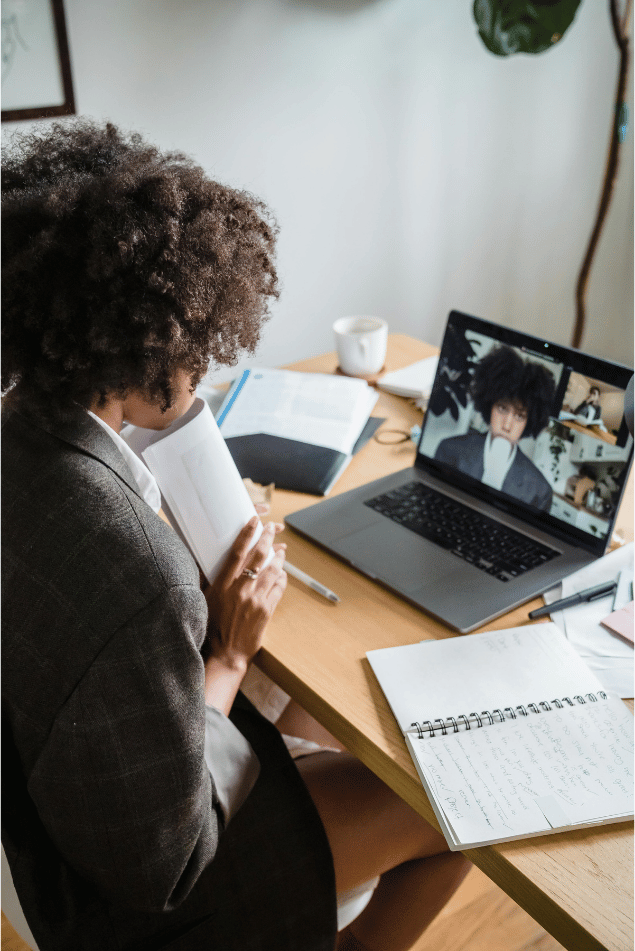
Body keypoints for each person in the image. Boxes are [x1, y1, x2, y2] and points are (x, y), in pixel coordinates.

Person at [2, 121, 470, 951]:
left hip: (42, 828)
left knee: (323, 720)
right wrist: (228, 655)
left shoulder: (15, 427)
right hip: (136, 897)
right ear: (144, 343)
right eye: (193, 341)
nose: (203, 366)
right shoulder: (136, 569)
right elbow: (165, 863)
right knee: (458, 795)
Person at [435, 345, 556, 512]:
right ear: (489, 405)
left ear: (530, 422)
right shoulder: (450, 451)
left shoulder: (540, 491)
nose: (507, 425)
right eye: (502, 409)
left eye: (519, 416)